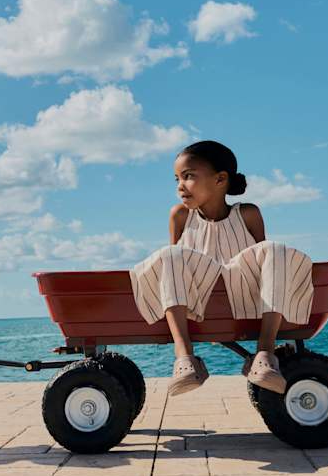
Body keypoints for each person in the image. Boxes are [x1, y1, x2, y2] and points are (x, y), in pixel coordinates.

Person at [130, 140, 314, 397]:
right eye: (176, 179)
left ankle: (265, 352)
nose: (180, 186)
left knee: (275, 249)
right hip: (200, 299)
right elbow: (173, 271)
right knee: (170, 254)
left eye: (189, 176)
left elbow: (264, 264)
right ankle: (184, 358)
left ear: (220, 179)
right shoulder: (180, 216)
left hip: (243, 294)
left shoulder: (248, 214)